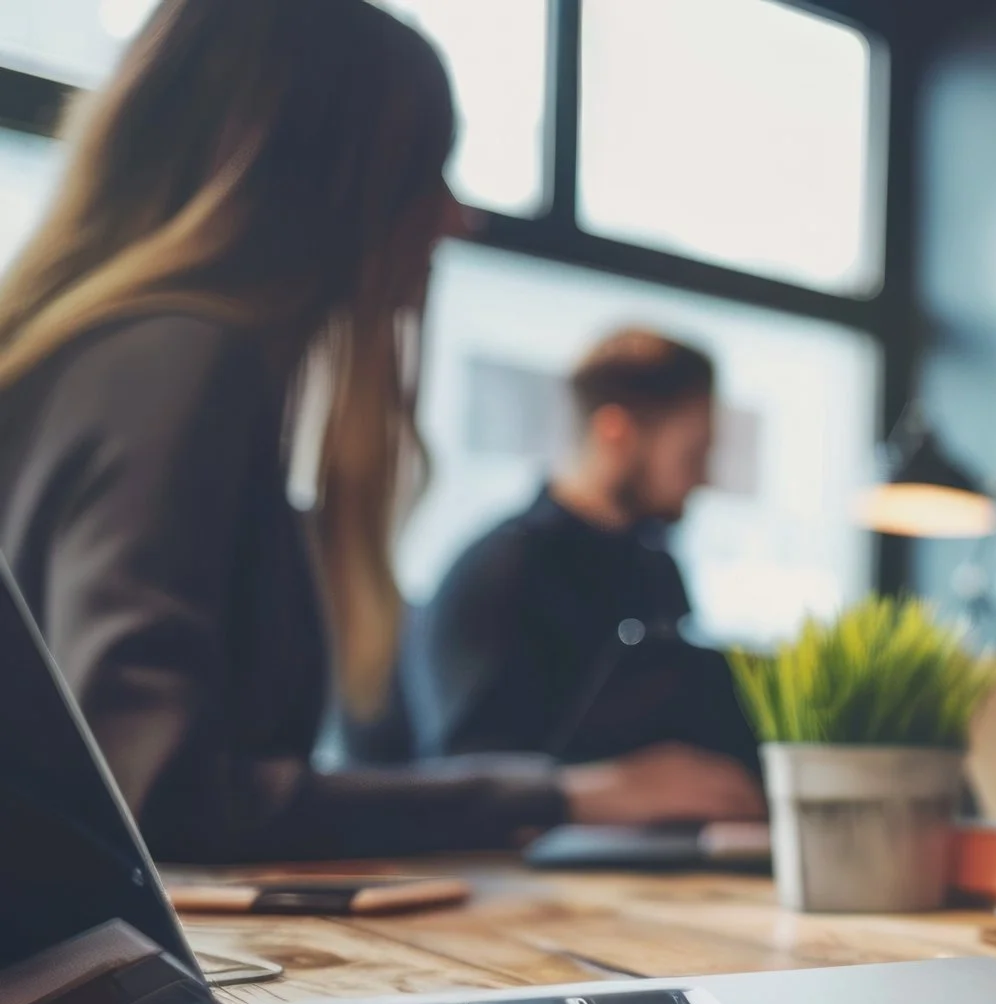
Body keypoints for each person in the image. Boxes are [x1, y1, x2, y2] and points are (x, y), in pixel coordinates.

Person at [0, 0, 761, 864]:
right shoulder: (181, 361)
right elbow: (156, 792)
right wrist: (562, 793)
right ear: (314, 176)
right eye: (424, 172)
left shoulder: (94, 360)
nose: (456, 218)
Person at [409, 328, 755, 769]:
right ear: (616, 434)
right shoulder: (502, 572)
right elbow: (466, 774)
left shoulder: (657, 569)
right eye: (692, 453)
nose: (704, 478)